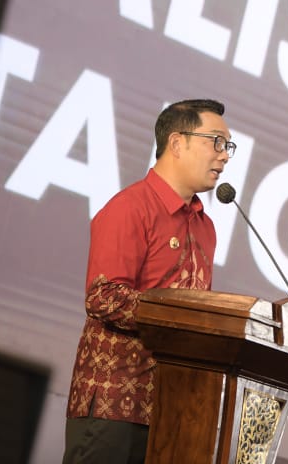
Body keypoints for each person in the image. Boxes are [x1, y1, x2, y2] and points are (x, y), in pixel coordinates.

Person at [63, 99, 236, 463]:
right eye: (216, 142)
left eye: (228, 147)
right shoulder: (131, 206)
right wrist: (181, 319)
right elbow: (103, 297)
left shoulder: (205, 227)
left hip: (173, 413)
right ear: (177, 143)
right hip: (113, 406)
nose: (224, 156)